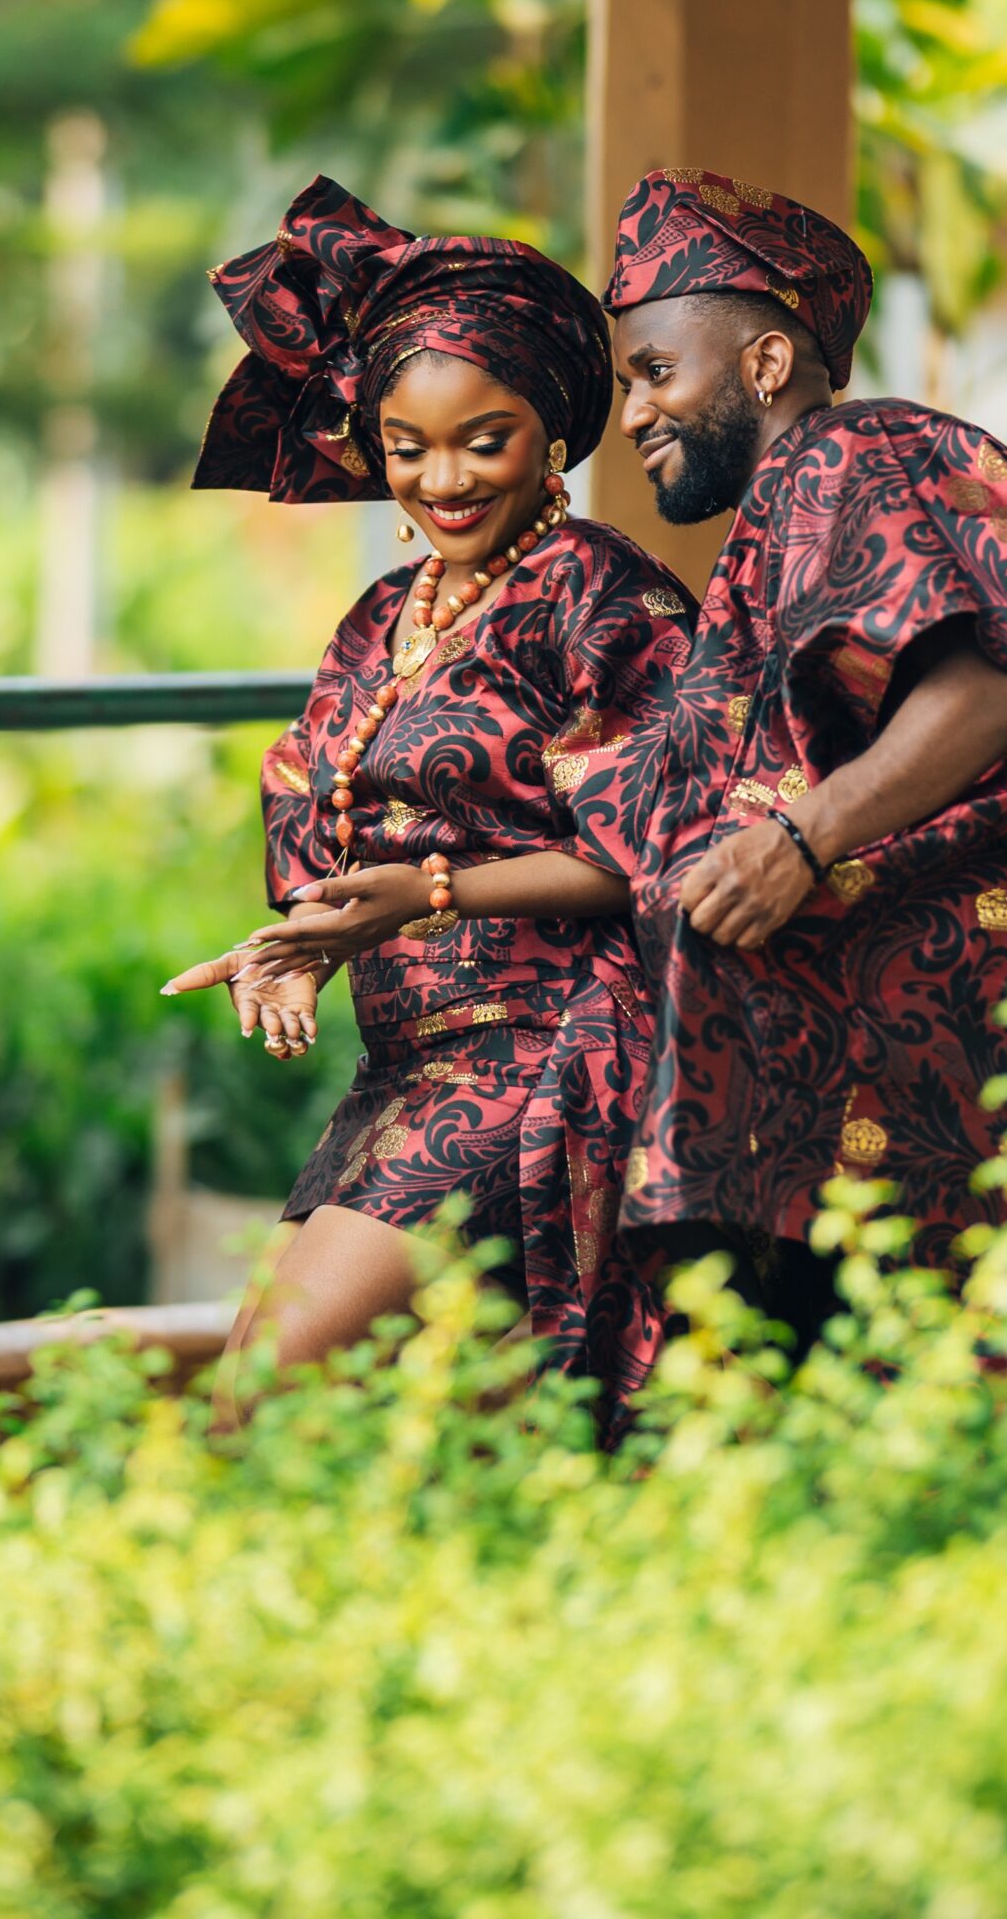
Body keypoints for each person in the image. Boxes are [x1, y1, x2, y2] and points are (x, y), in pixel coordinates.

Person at [603, 165, 1007, 1355]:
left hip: (986, 1026)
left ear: (764, 362)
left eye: (653, 372)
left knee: (986, 1375)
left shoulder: (853, 453)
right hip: (923, 1049)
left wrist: (796, 840)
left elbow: (993, 678)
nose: (633, 412)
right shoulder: (792, 503)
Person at [163, 174, 693, 1424]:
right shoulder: (379, 617)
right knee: (409, 1424)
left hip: (545, 1051)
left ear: (552, 433)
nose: (440, 479)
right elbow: (320, 792)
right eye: (406, 448)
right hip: (404, 1065)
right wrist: (300, 944)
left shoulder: (604, 597)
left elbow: (650, 846)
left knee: (255, 1406)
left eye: (480, 440)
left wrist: (426, 894)